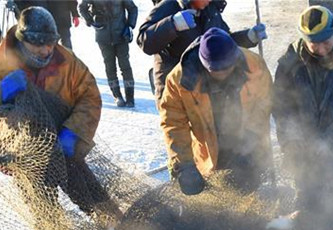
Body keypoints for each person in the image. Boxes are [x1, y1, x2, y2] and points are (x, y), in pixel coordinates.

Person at [0, 7, 118, 226]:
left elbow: (90, 97)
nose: (46, 50)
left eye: (50, 43)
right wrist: (0, 91)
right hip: (23, 152)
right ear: (21, 39)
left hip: (64, 144)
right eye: (38, 44)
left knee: (96, 202)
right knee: (47, 218)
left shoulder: (67, 61)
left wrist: (73, 133)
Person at [273, 5, 333, 225]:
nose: (321, 48)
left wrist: (332, 136)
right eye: (314, 43)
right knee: (307, 199)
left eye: (325, 41)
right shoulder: (290, 63)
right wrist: (293, 140)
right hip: (305, 145)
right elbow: (281, 106)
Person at [160, 27, 272, 195]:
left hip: (245, 146)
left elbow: (263, 103)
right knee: (215, 199)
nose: (223, 74)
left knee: (248, 197)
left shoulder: (254, 64)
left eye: (227, 68)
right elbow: (173, 123)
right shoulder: (179, 80)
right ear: (204, 64)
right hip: (208, 150)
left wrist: (251, 143)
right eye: (216, 71)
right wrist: (184, 165)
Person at [137, 0, 266, 100]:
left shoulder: (210, 10)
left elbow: (222, 42)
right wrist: (173, 24)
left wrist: (248, 37)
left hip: (204, 88)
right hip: (175, 88)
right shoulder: (170, 5)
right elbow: (144, 41)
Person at [79, 0, 139, 108]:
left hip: (121, 34)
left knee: (125, 65)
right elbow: (81, 7)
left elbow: (133, 8)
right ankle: (117, 95)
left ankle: (130, 97)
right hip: (103, 35)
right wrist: (90, 21)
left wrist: (130, 25)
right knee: (109, 65)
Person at [14, 1, 80, 49]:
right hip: (46, 21)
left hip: (59, 19)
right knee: (50, 47)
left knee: (65, 45)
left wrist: (75, 14)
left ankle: (68, 66)